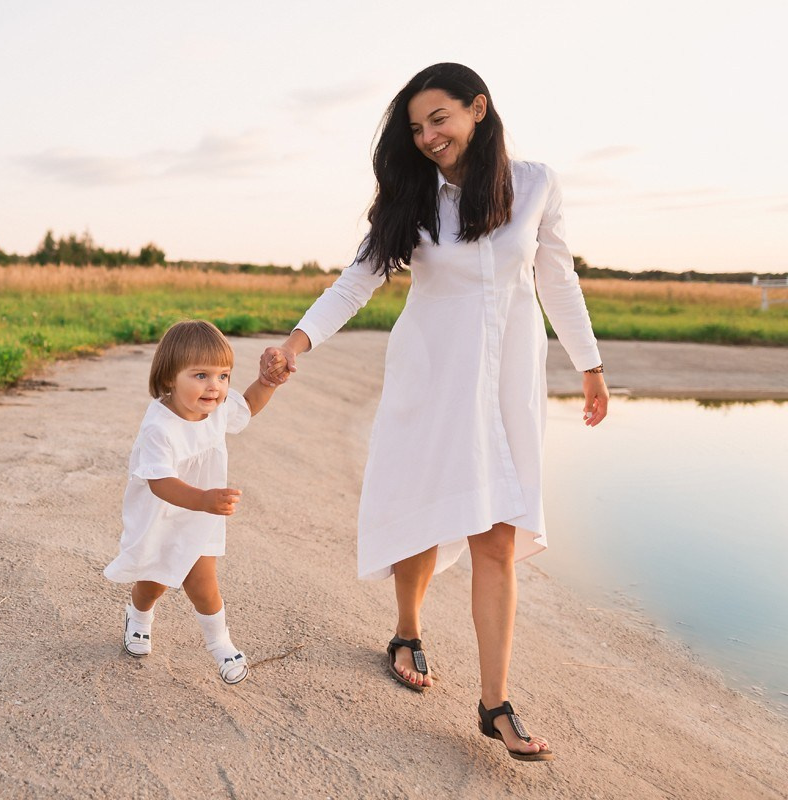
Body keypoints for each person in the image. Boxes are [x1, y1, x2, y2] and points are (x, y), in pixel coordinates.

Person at [260, 63, 608, 761]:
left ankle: (494, 703)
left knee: (498, 533)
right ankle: (408, 627)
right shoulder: (413, 197)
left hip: (509, 377)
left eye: (438, 119)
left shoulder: (535, 183)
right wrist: (297, 341)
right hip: (431, 375)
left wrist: (590, 365)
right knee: (429, 503)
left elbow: (556, 277)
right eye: (416, 127)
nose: (426, 137)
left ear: (478, 109)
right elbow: (357, 279)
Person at [104, 320, 279, 685]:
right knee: (154, 581)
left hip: (201, 514)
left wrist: (266, 383)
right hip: (163, 513)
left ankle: (220, 644)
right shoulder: (160, 427)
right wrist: (202, 498)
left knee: (202, 581)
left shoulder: (216, 409)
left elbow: (246, 405)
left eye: (223, 375)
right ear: (169, 378)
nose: (214, 386)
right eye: (200, 375)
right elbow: (160, 482)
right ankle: (138, 616)